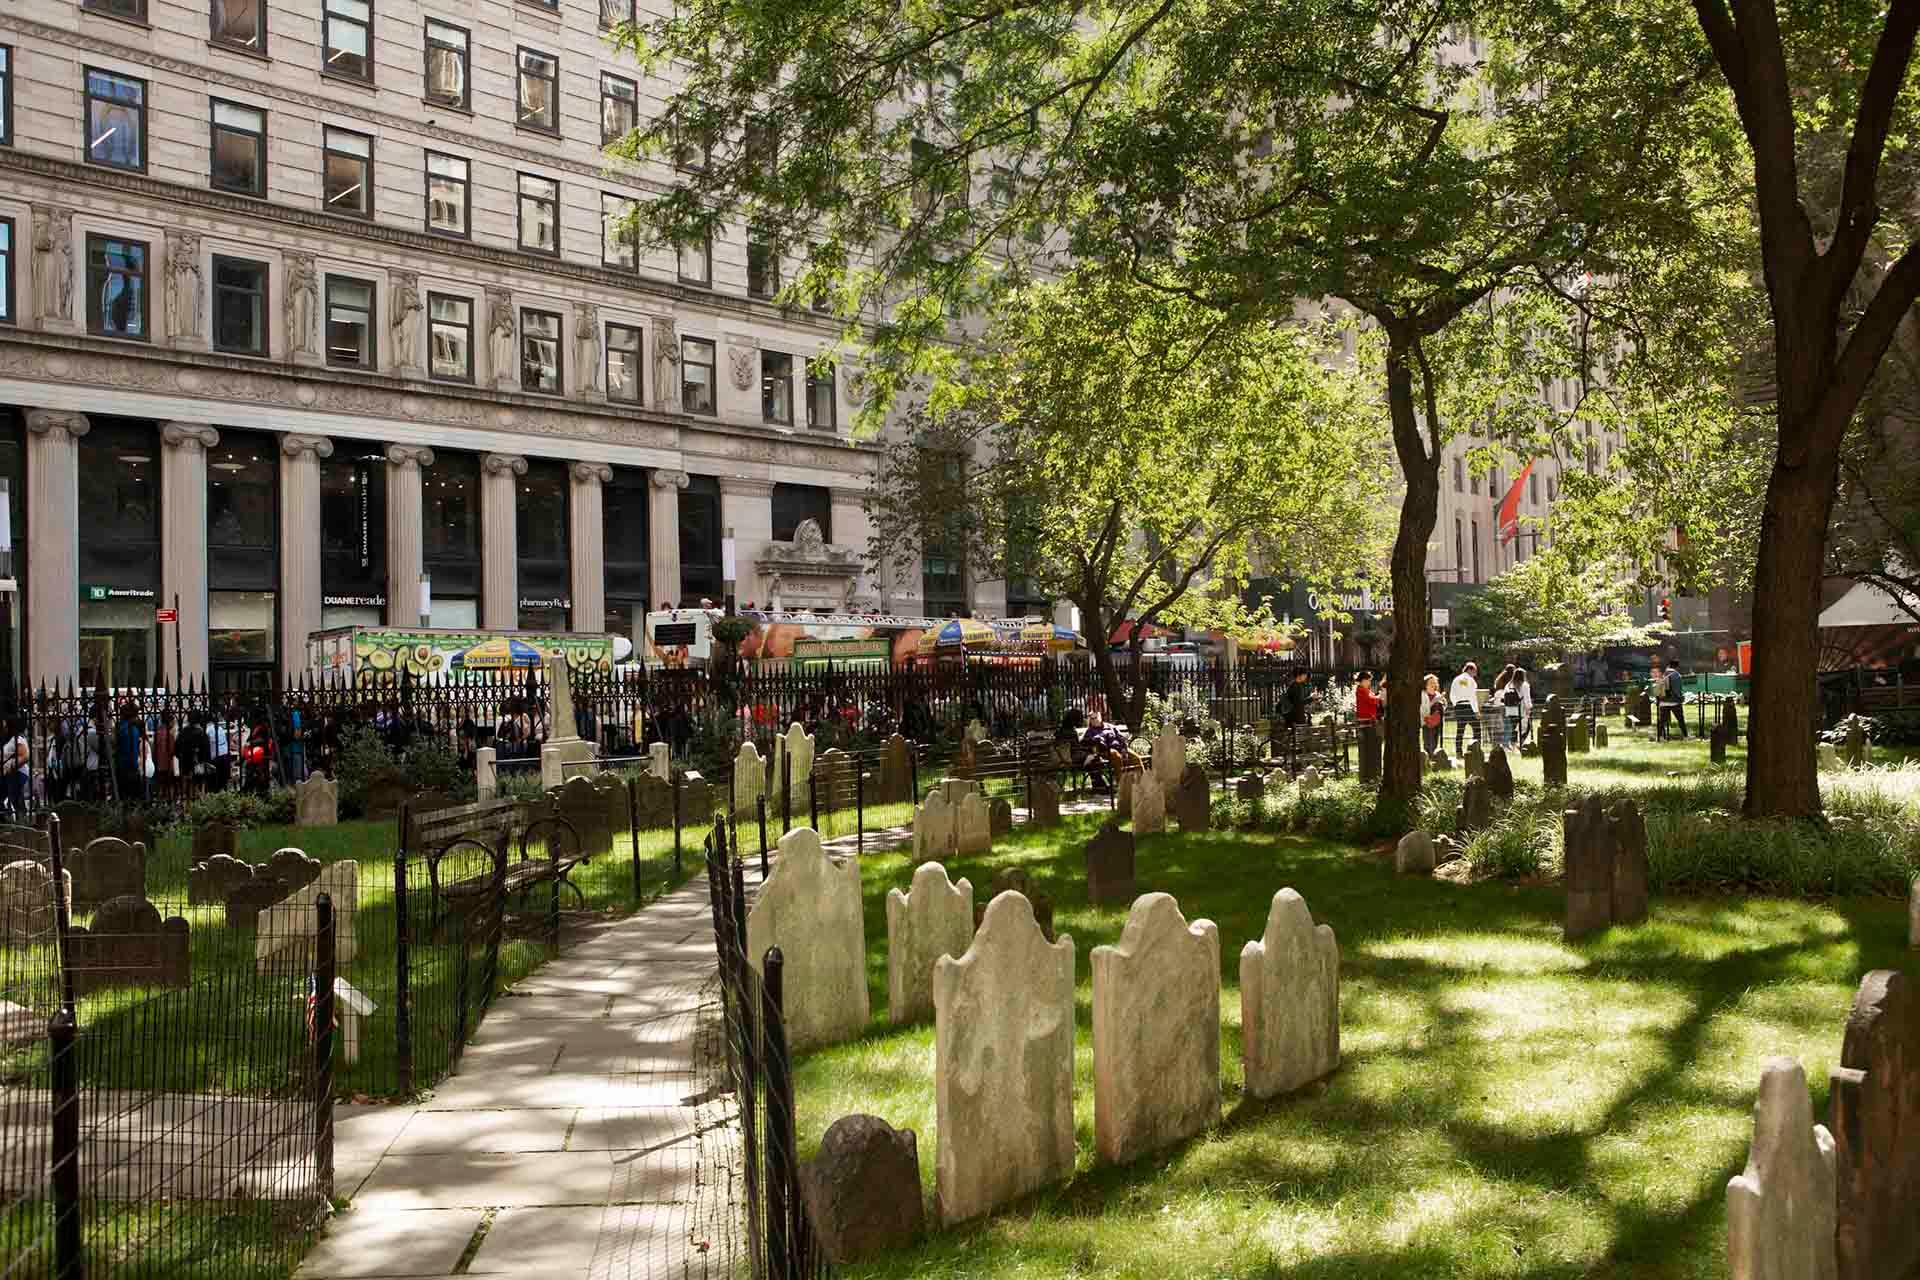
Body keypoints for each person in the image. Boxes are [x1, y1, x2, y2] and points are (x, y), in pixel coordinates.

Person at [1080, 711, 1127, 794]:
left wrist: (1124, 748)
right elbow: (1086, 743)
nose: (1094, 720)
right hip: (1106, 751)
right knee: (1115, 755)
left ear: (1100, 717)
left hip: (1120, 749)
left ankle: (1144, 781)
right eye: (1092, 719)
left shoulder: (1111, 727)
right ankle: (1122, 785)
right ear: (1089, 720)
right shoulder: (1090, 731)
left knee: (1136, 757)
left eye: (1096, 718)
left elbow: (1121, 738)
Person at [1449, 662, 1482, 755]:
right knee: (1477, 728)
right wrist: (1476, 711)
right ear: (1470, 670)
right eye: (1475, 671)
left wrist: (1455, 705)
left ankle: (1458, 751)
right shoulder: (1471, 680)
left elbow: (1452, 695)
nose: (1475, 674)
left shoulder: (1456, 679)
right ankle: (1476, 749)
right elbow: (1472, 696)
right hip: (1468, 706)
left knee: (1460, 730)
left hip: (1459, 706)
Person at [0, 718, 29, 816]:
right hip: (9, 774)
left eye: (5, 726)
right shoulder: (10, 740)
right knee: (12, 798)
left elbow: (24, 756)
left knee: (16, 799)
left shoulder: (17, 738)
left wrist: (11, 767)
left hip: (16, 773)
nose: (4, 729)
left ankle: (22, 821)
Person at [1658, 657, 1688, 740]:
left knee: (1662, 721)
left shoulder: (1663, 674)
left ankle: (1659, 736)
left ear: (1669, 665)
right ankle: (1685, 735)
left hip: (1663, 702)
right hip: (1674, 702)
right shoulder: (1677, 675)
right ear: (1677, 667)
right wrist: (1681, 698)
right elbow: (1677, 690)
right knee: (1680, 720)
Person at [1420, 674, 1445, 755]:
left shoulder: (1437, 693)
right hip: (1427, 721)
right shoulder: (1423, 694)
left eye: (1434, 682)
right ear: (1425, 684)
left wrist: (1443, 702)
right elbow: (1423, 709)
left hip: (1437, 721)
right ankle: (1427, 758)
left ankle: (1434, 757)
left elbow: (1443, 706)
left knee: (1435, 741)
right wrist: (1434, 701)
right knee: (1428, 742)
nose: (1433, 684)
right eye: (1431, 682)